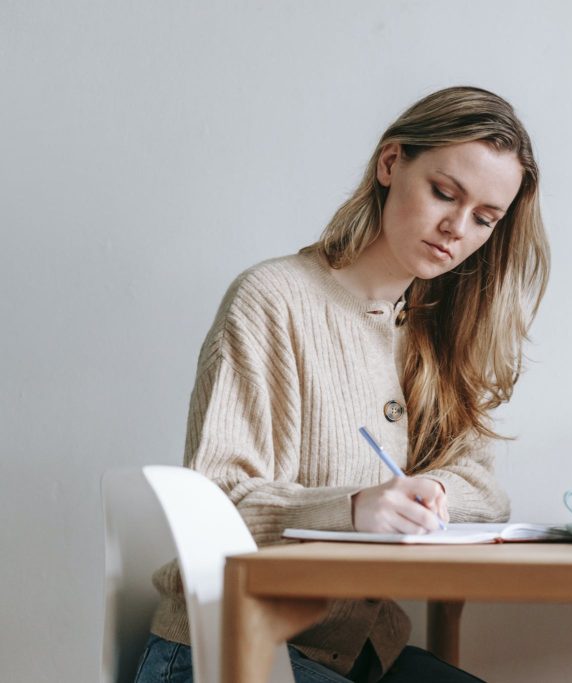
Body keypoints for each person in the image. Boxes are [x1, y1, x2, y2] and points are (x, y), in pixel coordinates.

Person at [135, 86, 550, 683]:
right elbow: (216, 504)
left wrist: (427, 493)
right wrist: (354, 509)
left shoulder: (437, 333)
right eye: (443, 193)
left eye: (484, 219)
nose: (456, 228)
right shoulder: (272, 301)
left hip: (360, 656)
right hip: (219, 652)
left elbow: (483, 490)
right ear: (390, 164)